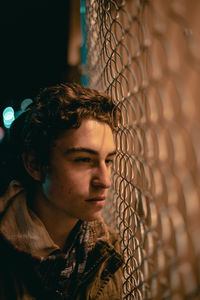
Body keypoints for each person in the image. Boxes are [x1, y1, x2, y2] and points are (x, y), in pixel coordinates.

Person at [0, 83, 123, 300]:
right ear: (35, 165)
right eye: (84, 160)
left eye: (108, 161)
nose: (105, 181)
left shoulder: (106, 249)